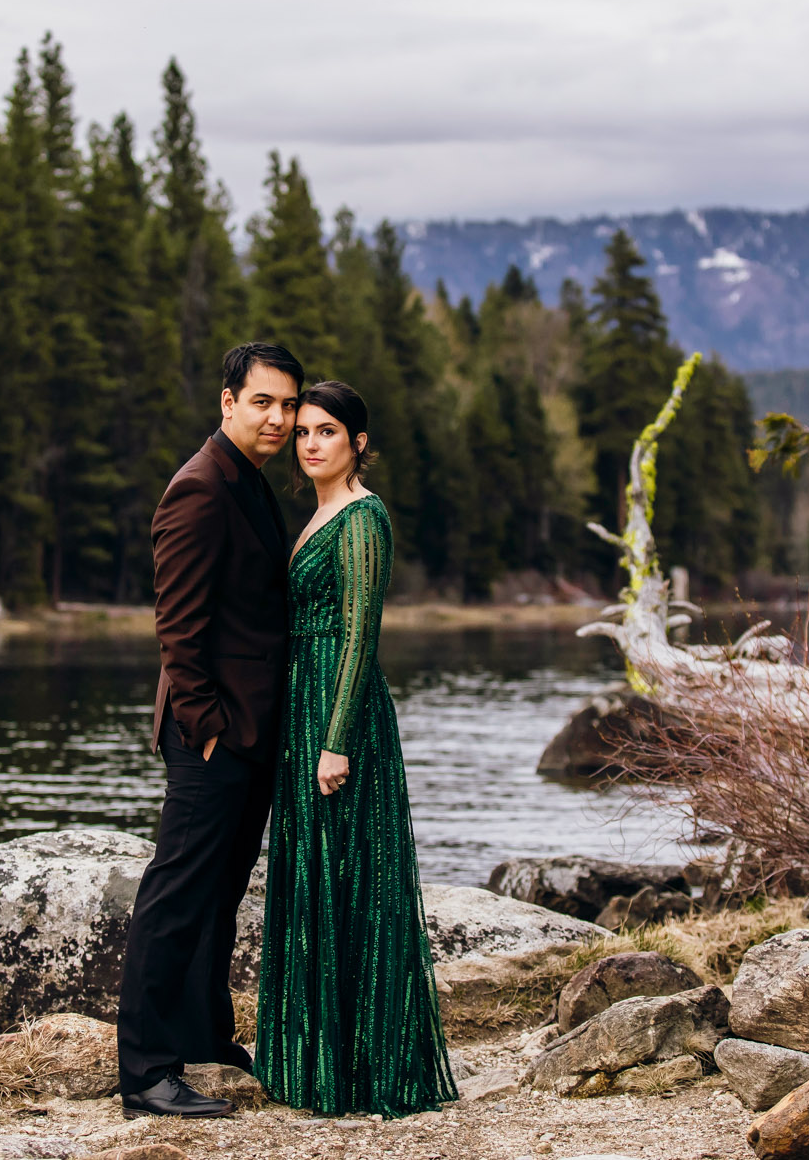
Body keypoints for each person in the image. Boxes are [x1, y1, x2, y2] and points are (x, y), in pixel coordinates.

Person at [255, 380, 457, 1117]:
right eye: (303, 430)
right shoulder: (316, 515)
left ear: (358, 443)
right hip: (301, 710)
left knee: (349, 878)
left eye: (326, 431)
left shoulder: (364, 517)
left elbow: (361, 633)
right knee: (310, 877)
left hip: (341, 717)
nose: (309, 442)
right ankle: (311, 1064)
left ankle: (370, 1070)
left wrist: (335, 742)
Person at [117, 342, 304, 1120]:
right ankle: (147, 1071)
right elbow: (179, 630)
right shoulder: (199, 488)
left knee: (220, 894)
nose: (279, 418)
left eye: (289, 405)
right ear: (228, 402)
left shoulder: (249, 482)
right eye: (263, 401)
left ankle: (204, 1035)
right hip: (213, 733)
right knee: (176, 895)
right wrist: (207, 729)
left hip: (249, 730)